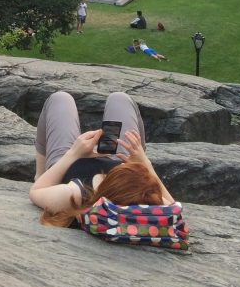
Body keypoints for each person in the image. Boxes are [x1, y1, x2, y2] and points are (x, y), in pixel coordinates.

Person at [29, 90, 174, 228]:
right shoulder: (146, 199)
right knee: (120, 99)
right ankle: (120, 155)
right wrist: (143, 162)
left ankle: (40, 174)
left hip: (69, 164)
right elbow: (174, 209)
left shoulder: (77, 194)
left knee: (60, 99)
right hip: (115, 158)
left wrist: (74, 153)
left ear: (109, 182)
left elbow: (36, 191)